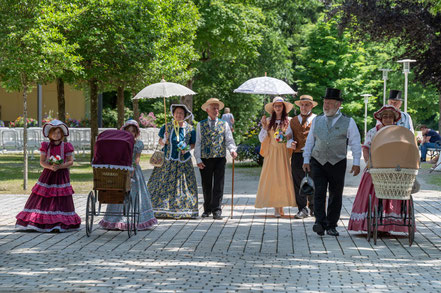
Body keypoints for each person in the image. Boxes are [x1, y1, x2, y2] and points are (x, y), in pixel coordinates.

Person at [303, 88, 361, 237]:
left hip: (338, 162)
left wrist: (356, 162)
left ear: (338, 104)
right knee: (319, 192)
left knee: (336, 194)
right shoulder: (317, 120)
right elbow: (310, 141)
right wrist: (306, 158)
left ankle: (332, 225)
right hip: (318, 161)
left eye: (329, 103)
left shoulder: (349, 122)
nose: (326, 105)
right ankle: (319, 223)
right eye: (325, 102)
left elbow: (355, 142)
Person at [348, 105, 411, 233]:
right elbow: (366, 148)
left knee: (395, 190)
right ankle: (370, 224)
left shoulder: (399, 131)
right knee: (372, 191)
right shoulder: (372, 131)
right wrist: (369, 163)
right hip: (376, 165)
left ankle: (388, 225)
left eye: (390, 117)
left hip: (394, 167)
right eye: (385, 116)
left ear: (394, 119)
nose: (387, 119)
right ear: (381, 119)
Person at [15, 120, 81, 232]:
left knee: (60, 197)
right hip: (48, 175)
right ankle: (39, 220)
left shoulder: (66, 146)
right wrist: (50, 167)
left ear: (62, 134)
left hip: (61, 175)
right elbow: (42, 161)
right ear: (49, 134)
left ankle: (60, 221)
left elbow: (70, 161)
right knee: (44, 196)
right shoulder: (45, 146)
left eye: (59, 133)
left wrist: (60, 167)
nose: (56, 135)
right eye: (54, 133)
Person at [99, 120, 157, 230]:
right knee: (119, 192)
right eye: (128, 131)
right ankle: (115, 219)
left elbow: (137, 159)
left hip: (133, 169)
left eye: (133, 131)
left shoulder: (138, 144)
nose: (130, 133)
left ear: (136, 133)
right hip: (121, 168)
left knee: (135, 192)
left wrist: (133, 168)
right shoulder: (120, 142)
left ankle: (137, 218)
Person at [148, 104, 199, 219]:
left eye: (181, 113)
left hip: (183, 162)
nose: (178, 115)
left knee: (184, 185)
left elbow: (193, 144)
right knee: (162, 183)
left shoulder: (190, 129)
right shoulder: (167, 126)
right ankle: (161, 209)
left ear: (185, 115)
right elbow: (160, 142)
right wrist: (165, 140)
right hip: (167, 161)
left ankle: (184, 210)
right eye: (177, 113)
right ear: (173, 114)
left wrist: (185, 149)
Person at [195, 98, 237, 220]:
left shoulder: (224, 124)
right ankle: (207, 209)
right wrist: (198, 159)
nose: (216, 110)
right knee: (206, 184)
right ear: (207, 110)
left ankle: (217, 210)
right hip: (205, 158)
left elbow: (229, 140)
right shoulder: (200, 124)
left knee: (219, 184)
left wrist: (233, 150)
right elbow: (198, 143)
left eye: (217, 108)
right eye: (214, 108)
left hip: (219, 158)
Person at [255, 97, 296, 217]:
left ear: (283, 107)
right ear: (273, 108)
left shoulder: (289, 120)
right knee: (273, 178)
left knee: (283, 178)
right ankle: (276, 208)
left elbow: (291, 137)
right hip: (272, 153)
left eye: (280, 106)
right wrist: (264, 127)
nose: (278, 108)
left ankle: (281, 205)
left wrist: (289, 141)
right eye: (276, 106)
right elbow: (262, 139)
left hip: (283, 152)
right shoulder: (268, 121)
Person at [286, 95, 317, 219]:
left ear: (311, 106)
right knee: (298, 181)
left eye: (307, 105)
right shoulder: (293, 121)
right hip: (298, 154)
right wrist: (290, 144)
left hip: (313, 155)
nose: (304, 107)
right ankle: (302, 208)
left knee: (314, 180)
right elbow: (288, 138)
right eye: (302, 105)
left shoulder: (317, 119)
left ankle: (314, 208)